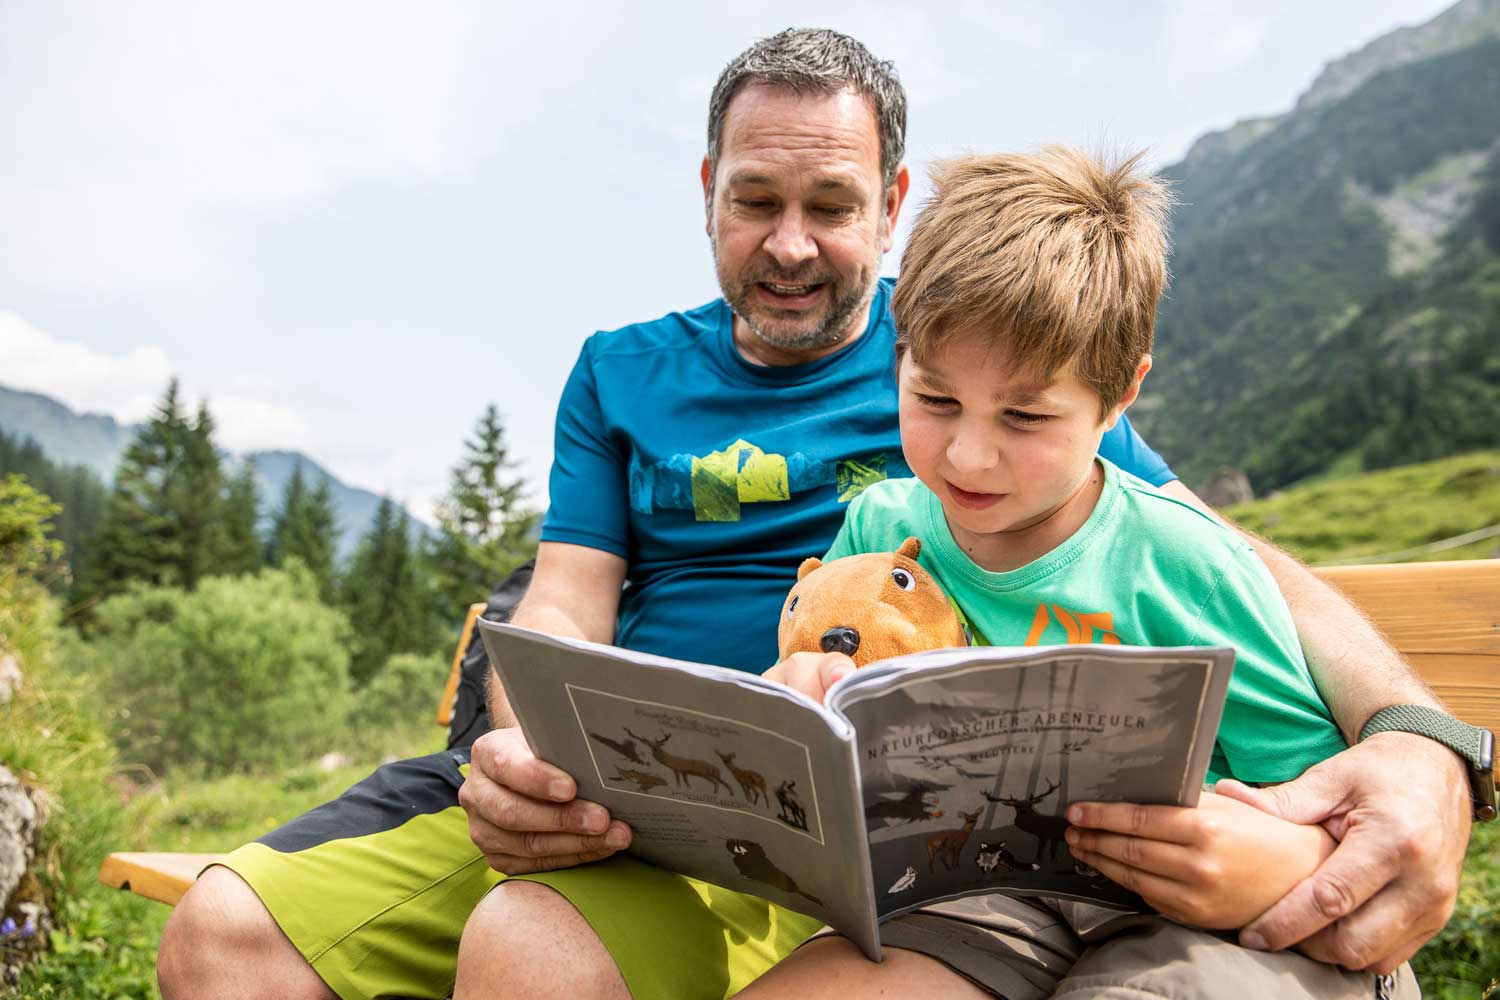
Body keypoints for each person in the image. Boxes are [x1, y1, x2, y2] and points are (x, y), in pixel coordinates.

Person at [156, 28, 1473, 1000]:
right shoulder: (622, 370)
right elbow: (565, 595)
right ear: (708, 191)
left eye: (832, 207)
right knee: (217, 939)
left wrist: (1422, 741)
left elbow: (1222, 562)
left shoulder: (996, 362)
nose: (789, 244)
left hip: (896, 862)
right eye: (756, 202)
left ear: (892, 209)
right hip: (636, 796)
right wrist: (532, 746)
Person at [751, 146, 1416, 998]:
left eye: (1024, 416)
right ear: (900, 354)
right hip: (973, 897)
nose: (967, 454)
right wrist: (799, 695)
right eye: (936, 398)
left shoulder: (1184, 562)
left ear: (1119, 398)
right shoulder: (881, 525)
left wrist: (1279, 857)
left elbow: (1314, 802)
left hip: (1202, 917)